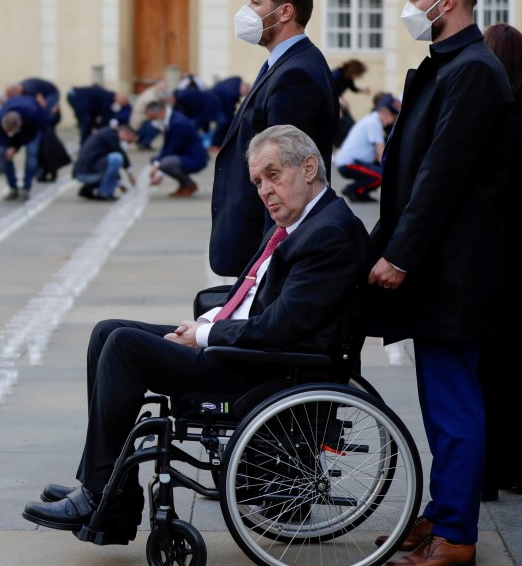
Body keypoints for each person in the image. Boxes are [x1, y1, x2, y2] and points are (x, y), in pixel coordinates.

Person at [22, 124, 369, 543]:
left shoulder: (328, 232)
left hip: (264, 370)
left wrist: (206, 336)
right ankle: (109, 489)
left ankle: (100, 495)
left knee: (124, 348)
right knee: (107, 331)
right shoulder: (300, 223)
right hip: (243, 344)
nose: (264, 190)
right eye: (258, 181)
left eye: (273, 175)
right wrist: (206, 325)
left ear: (309, 167)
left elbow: (281, 327)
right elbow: (255, 298)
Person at [364, 0, 513, 566]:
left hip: (454, 270)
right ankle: (443, 511)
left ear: (446, 2)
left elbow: (440, 176)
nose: (407, 6)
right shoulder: (449, 66)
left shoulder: (472, 70)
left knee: (453, 403)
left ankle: (456, 535)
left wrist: (398, 255)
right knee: (439, 399)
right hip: (443, 267)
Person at [209, 0, 338, 278]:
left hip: (264, 245)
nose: (246, 12)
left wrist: (272, 260)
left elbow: (287, 177)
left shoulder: (296, 74)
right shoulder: (285, 64)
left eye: (255, 3)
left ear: (285, 12)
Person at [480, 22, 522, 502]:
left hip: (493, 263)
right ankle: (512, 466)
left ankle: (487, 471)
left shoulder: (493, 119)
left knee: (485, 374)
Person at [333, 93, 399, 203]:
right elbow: (381, 154)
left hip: (354, 162)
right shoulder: (374, 123)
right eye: (393, 116)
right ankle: (353, 190)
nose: (393, 120)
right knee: (382, 175)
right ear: (386, 113)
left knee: (381, 172)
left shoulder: (372, 120)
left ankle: (361, 193)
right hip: (349, 163)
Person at [0, 94, 51, 201]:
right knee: (4, 154)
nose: (10, 134)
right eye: (8, 132)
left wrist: (15, 147)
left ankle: (26, 187)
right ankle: (12, 187)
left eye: (12, 132)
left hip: (32, 128)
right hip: (17, 118)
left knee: (32, 153)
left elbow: (31, 135)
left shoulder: (31, 115)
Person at [145, 100, 207, 197]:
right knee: (156, 159)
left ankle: (189, 184)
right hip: (184, 155)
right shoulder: (171, 119)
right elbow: (167, 147)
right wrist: (156, 163)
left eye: (154, 118)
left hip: (194, 158)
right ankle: (184, 185)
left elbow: (171, 149)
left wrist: (159, 172)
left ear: (160, 112)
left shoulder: (178, 123)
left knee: (165, 163)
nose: (153, 121)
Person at [72, 124, 137, 201]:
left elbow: (111, 168)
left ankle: (88, 189)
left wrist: (121, 183)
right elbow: (120, 154)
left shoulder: (106, 134)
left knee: (113, 161)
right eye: (129, 140)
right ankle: (105, 193)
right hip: (86, 174)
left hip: (84, 173)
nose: (129, 143)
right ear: (125, 133)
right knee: (116, 158)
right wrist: (130, 175)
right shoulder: (110, 136)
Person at [66, 84, 130, 144]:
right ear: (120, 98)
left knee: (88, 121)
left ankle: (87, 143)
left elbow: (100, 113)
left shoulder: (106, 96)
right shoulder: (107, 97)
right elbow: (104, 115)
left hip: (77, 98)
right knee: (86, 122)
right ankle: (84, 144)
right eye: (123, 103)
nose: (120, 105)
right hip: (76, 97)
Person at [331, 59, 372, 149]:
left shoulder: (348, 78)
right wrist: (337, 107)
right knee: (342, 125)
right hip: (331, 103)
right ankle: (338, 146)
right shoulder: (337, 75)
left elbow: (352, 88)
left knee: (351, 125)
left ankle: (349, 144)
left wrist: (363, 90)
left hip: (338, 103)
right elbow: (330, 91)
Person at [208, 76, 251, 150]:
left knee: (225, 121)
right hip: (214, 102)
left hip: (216, 99)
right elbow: (229, 111)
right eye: (245, 94)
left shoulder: (237, 80)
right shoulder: (232, 94)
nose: (242, 96)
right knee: (223, 122)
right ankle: (215, 144)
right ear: (244, 89)